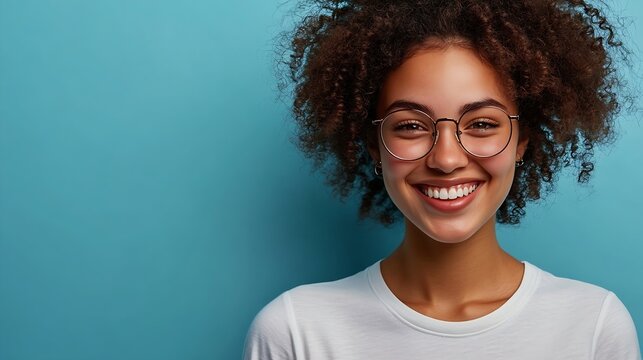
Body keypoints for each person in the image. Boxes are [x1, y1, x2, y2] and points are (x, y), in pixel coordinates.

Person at [244, 0, 641, 358]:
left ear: (522, 141)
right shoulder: (295, 332)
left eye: (482, 123)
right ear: (373, 146)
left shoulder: (593, 326)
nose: (447, 159)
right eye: (411, 126)